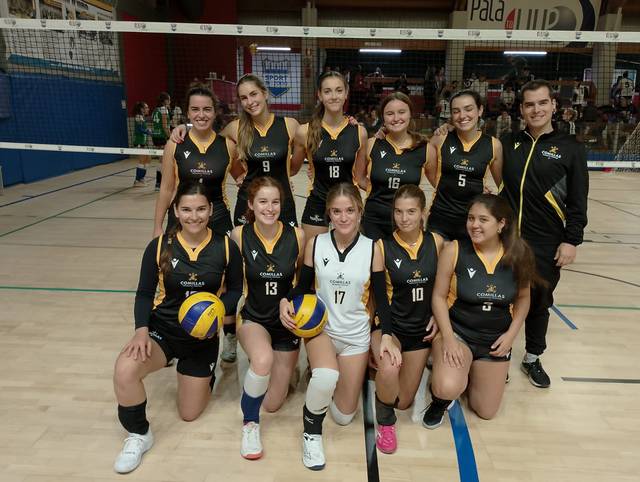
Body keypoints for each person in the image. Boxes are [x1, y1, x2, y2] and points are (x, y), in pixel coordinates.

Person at [112, 181, 243, 474]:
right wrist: (141, 329)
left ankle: (204, 375)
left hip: (202, 338)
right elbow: (145, 293)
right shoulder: (159, 246)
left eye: (200, 209)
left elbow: (235, 289)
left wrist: (219, 311)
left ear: (210, 210)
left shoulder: (225, 246)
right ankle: (138, 435)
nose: (193, 216)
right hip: (163, 332)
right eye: (186, 209)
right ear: (176, 210)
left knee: (189, 414)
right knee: (125, 370)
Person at [279, 182, 396, 471]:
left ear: (359, 211)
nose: (343, 218)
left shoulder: (372, 250)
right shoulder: (316, 244)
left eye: (349, 211)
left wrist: (388, 336)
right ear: (328, 214)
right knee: (327, 375)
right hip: (323, 330)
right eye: (336, 211)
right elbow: (302, 287)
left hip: (355, 337)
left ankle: (321, 384)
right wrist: (286, 300)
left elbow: (381, 300)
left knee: (344, 415)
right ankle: (311, 432)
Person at [499, 79, 589, 388]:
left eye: (541, 103)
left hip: (547, 242)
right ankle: (500, 355)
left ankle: (532, 357)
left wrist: (571, 240)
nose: (536, 109)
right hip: (506, 239)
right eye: (529, 104)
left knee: (539, 301)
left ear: (553, 106)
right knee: (502, 298)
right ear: (521, 109)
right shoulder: (509, 142)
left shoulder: (570, 149)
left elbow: (578, 199)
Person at [423, 194, 534, 427]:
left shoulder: (519, 254)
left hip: (494, 341)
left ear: (501, 224)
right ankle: (440, 400)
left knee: (486, 411)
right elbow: (438, 297)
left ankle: (471, 371)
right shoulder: (454, 250)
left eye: (483, 219)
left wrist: (511, 336)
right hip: (459, 333)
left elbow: (524, 299)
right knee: (447, 387)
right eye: (471, 218)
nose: (474, 225)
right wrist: (449, 340)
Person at [230, 176, 305, 460]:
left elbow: (302, 281)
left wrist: (293, 300)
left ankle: (279, 369)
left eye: (275, 202)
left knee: (273, 404)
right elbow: (232, 282)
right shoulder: (239, 235)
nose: (269, 208)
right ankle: (250, 424)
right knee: (263, 361)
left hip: (287, 324)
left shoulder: (296, 236)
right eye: (262, 201)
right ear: (251, 204)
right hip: (254, 318)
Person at [171, 74, 304, 228]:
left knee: (289, 250)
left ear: (265, 93)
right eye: (244, 98)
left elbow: (293, 168)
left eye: (254, 94)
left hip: (282, 202)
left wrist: (282, 178)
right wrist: (186, 128)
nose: (250, 102)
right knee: (243, 251)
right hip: (247, 203)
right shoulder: (236, 128)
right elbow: (208, 139)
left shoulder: (290, 125)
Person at [372, 185, 443, 453]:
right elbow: (379, 297)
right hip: (392, 327)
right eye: (399, 212)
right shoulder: (382, 246)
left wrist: (437, 316)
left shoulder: (436, 242)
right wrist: (386, 336)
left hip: (421, 332)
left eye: (411, 211)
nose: (404, 218)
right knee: (389, 367)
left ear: (422, 212)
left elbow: (443, 289)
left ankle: (380, 377)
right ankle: (385, 421)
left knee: (403, 401)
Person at [153, 83, 243, 239]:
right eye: (195, 109)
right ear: (187, 112)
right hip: (182, 217)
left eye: (207, 109)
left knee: (223, 262)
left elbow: (243, 177)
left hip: (218, 218)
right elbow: (166, 190)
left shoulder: (228, 146)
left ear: (215, 112)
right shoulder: (174, 144)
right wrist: (157, 227)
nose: (201, 115)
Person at [296, 71, 368, 241]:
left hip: (348, 203)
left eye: (338, 90)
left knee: (351, 259)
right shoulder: (304, 131)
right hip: (318, 201)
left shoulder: (359, 132)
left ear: (346, 93)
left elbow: (359, 177)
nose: (334, 96)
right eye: (327, 91)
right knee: (311, 256)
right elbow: (290, 168)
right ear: (319, 95)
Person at [427, 90, 504, 240]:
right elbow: (429, 172)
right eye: (456, 111)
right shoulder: (440, 138)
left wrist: (488, 202)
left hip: (473, 223)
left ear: (480, 110)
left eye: (468, 109)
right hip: (440, 218)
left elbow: (502, 185)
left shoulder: (494, 145)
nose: (462, 116)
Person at [360, 92, 428, 240]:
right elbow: (359, 178)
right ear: (383, 117)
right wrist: (379, 189)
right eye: (390, 114)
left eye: (402, 112)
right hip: (374, 220)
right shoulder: (372, 144)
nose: (396, 118)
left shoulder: (425, 148)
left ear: (410, 114)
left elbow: (441, 181)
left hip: (407, 222)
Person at [151, 92, 171, 190]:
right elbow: (164, 126)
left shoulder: (155, 110)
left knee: (161, 160)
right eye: (169, 99)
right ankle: (160, 183)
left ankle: (158, 184)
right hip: (162, 137)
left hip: (155, 137)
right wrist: (171, 137)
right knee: (164, 160)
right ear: (165, 100)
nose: (170, 102)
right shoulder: (164, 110)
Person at [132, 101, 152, 187]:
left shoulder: (142, 117)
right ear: (142, 109)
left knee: (148, 159)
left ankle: (142, 178)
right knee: (142, 160)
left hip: (143, 141)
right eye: (146, 107)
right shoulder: (138, 116)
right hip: (139, 142)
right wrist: (148, 132)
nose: (148, 109)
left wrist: (148, 130)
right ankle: (137, 180)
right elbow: (139, 130)